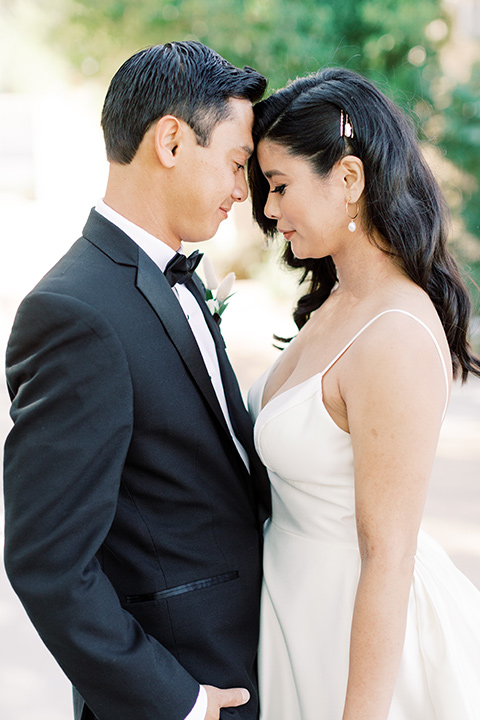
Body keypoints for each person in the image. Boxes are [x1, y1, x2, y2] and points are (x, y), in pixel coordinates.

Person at [4, 42, 271, 720]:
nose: (243, 191)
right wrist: (173, 700)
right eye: (236, 164)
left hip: (249, 660)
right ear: (173, 141)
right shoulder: (74, 313)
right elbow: (49, 561)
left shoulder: (171, 275)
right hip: (181, 688)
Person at [247, 67, 480, 720]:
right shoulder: (338, 303)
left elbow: (389, 554)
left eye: (280, 185)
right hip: (297, 620)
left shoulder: (396, 332)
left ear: (348, 179)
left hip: (358, 647)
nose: (269, 209)